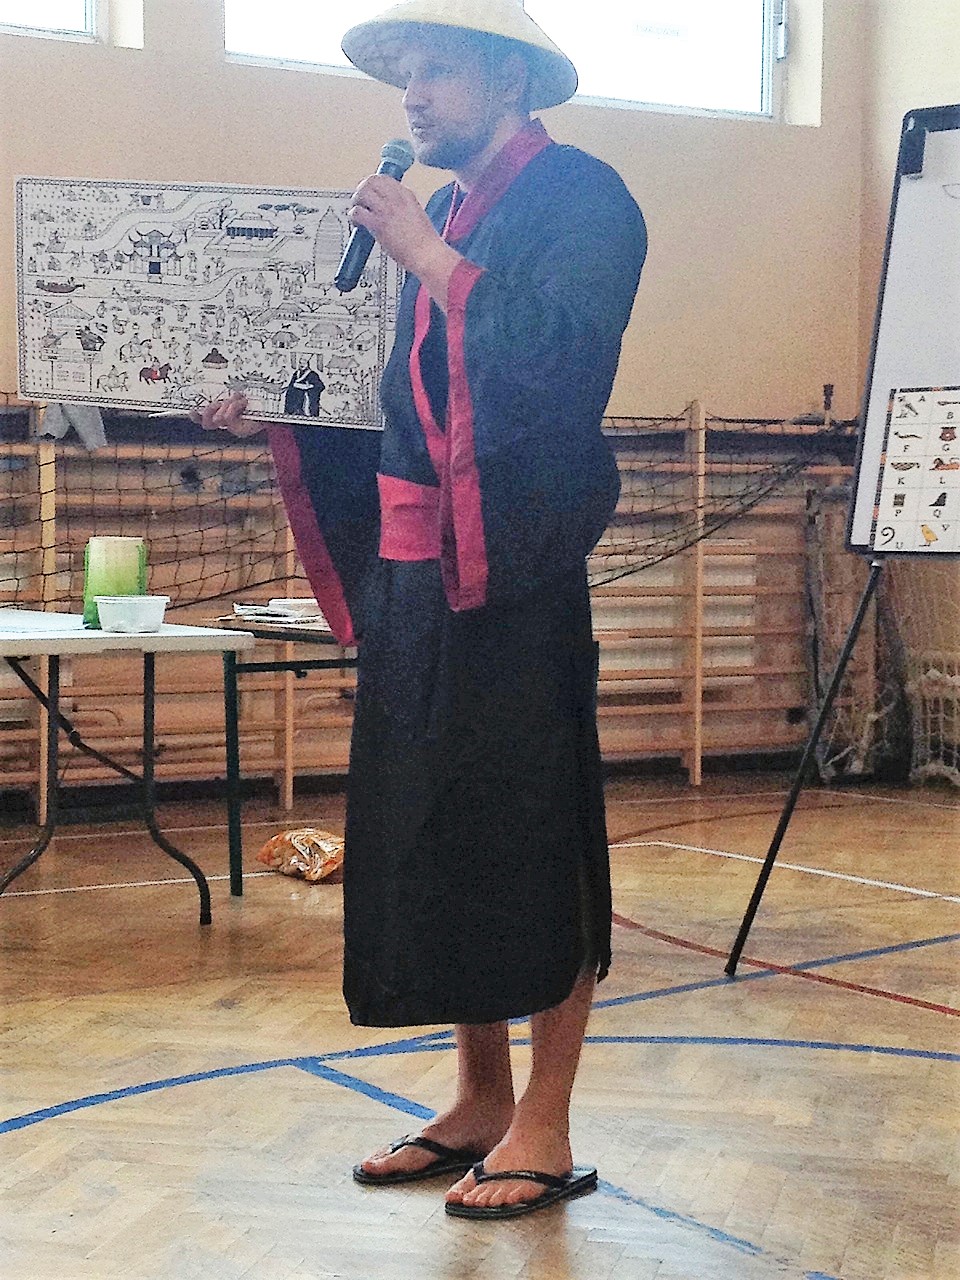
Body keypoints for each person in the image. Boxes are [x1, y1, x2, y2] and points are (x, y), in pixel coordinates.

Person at [200, 0, 646, 1220]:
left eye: (436, 70)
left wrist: (431, 259)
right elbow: (400, 406)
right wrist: (275, 409)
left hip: (514, 566)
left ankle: (548, 1117)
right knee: (436, 830)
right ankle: (480, 1096)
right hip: (415, 573)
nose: (411, 94)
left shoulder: (583, 197)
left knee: (531, 832)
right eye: (404, 73)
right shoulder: (441, 214)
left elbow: (561, 359)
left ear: (508, 79)